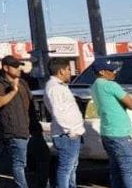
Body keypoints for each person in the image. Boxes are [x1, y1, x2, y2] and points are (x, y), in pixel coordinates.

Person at [91, 59, 132, 188]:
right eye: (111, 70)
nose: (114, 73)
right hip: (120, 134)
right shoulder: (111, 85)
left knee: (116, 170)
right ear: (101, 72)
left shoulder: (94, 86)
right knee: (129, 171)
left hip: (107, 133)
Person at [43, 58, 84, 188]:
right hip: (66, 135)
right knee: (66, 168)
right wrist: (70, 131)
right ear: (61, 71)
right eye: (68, 69)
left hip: (70, 134)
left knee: (71, 167)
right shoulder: (55, 88)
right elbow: (58, 112)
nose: (70, 73)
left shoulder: (59, 86)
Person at [0, 55, 33, 188]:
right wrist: (13, 91)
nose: (18, 69)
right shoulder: (0, 85)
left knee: (29, 162)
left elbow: (29, 103)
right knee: (19, 163)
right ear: (5, 68)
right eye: (15, 66)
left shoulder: (23, 83)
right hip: (14, 130)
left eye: (19, 66)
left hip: (26, 127)